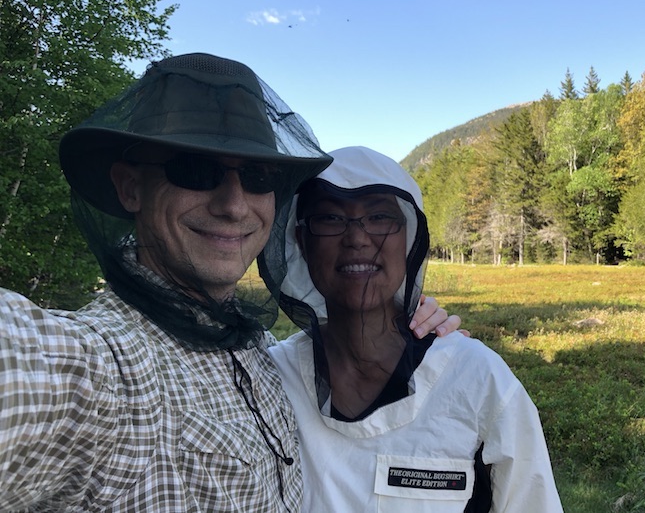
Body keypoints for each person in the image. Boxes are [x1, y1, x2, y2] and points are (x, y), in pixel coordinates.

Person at [0, 53, 459, 511]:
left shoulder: (262, 356)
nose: (235, 205)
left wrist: (408, 336)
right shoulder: (99, 367)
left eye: (259, 176)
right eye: (196, 170)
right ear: (131, 187)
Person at [268, 146, 563, 512]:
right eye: (330, 218)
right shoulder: (271, 380)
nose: (358, 238)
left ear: (408, 239)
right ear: (301, 241)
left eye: (379, 217)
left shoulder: (478, 379)